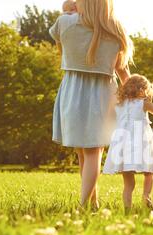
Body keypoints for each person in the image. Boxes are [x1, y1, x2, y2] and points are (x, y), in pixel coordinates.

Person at [49, 0, 133, 208]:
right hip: (103, 94)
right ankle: (89, 203)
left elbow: (61, 27)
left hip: (72, 90)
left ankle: (86, 205)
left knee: (83, 152)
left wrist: (69, 8)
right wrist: (134, 95)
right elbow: (123, 71)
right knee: (92, 152)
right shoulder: (115, 27)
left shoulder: (65, 23)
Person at [103, 75, 153, 211]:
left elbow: (109, 119)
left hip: (122, 143)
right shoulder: (143, 103)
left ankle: (127, 209)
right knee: (149, 172)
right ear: (142, 90)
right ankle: (146, 198)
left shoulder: (119, 104)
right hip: (141, 141)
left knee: (128, 183)